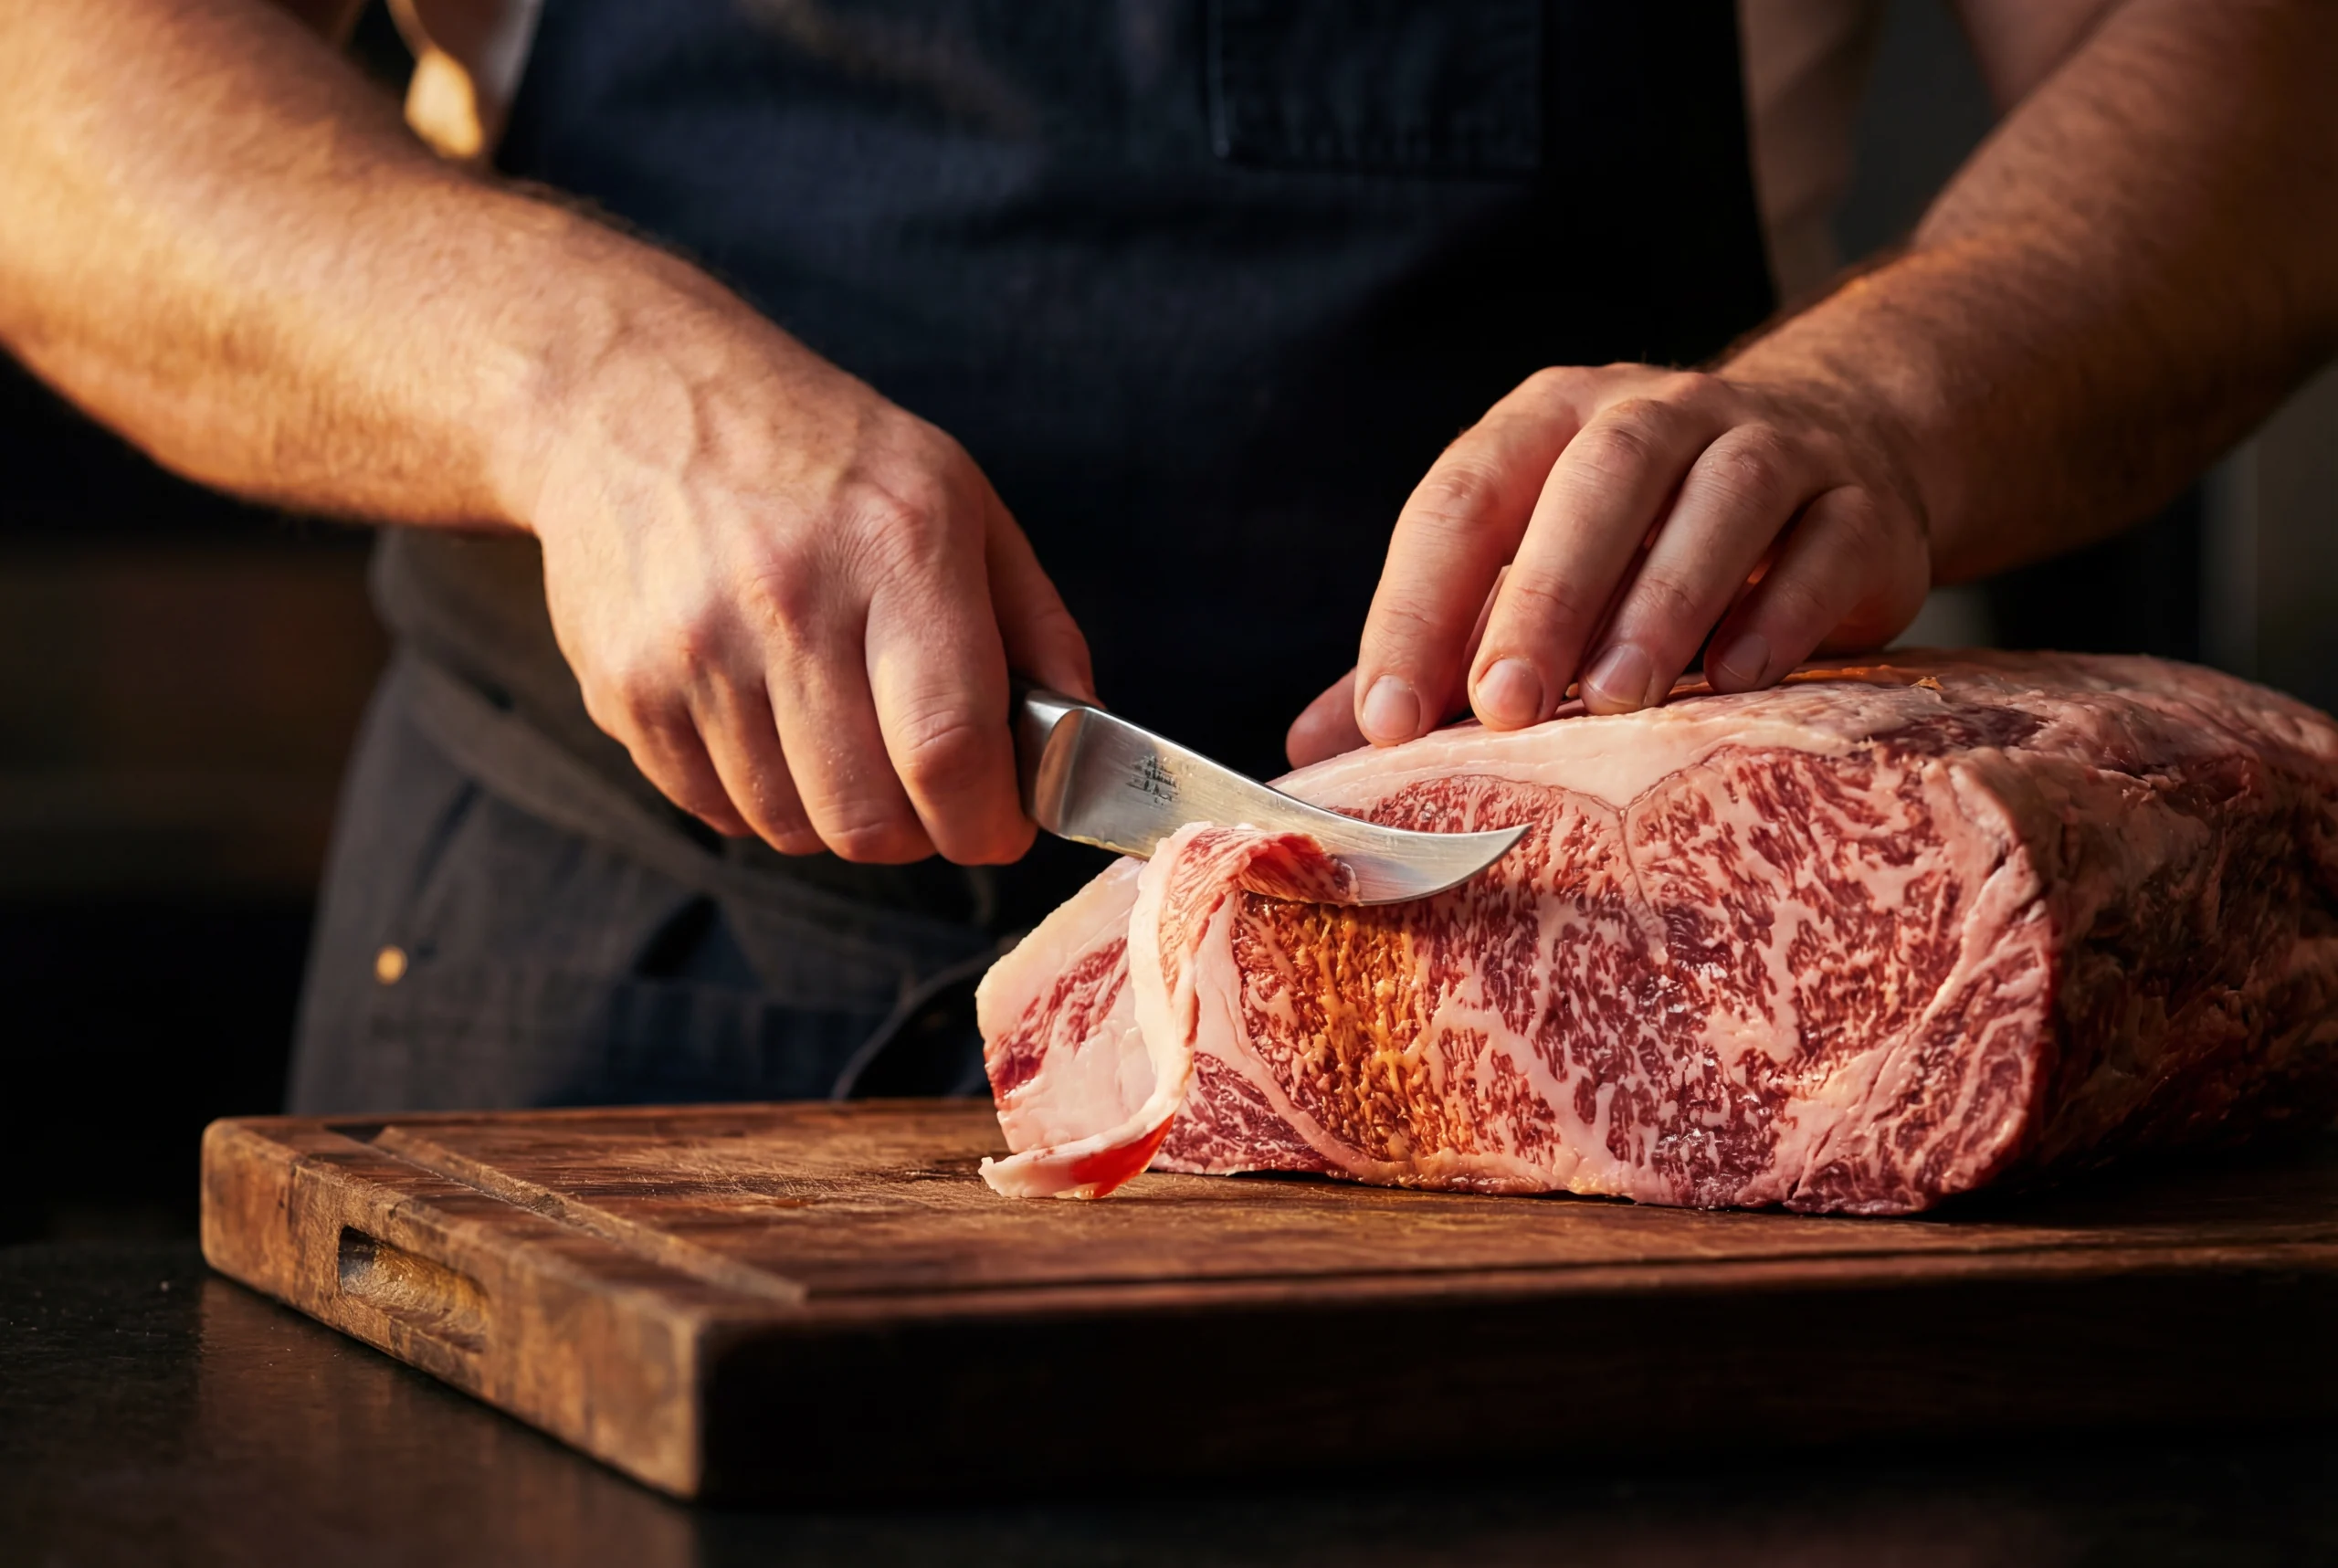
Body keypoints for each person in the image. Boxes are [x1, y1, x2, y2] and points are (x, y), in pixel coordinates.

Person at [3, 0, 2333, 1111]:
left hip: (1610, 1017)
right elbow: (57, 111)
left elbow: (2259, 78)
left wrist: (1877, 398)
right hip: (619, 983)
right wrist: (578, 377)